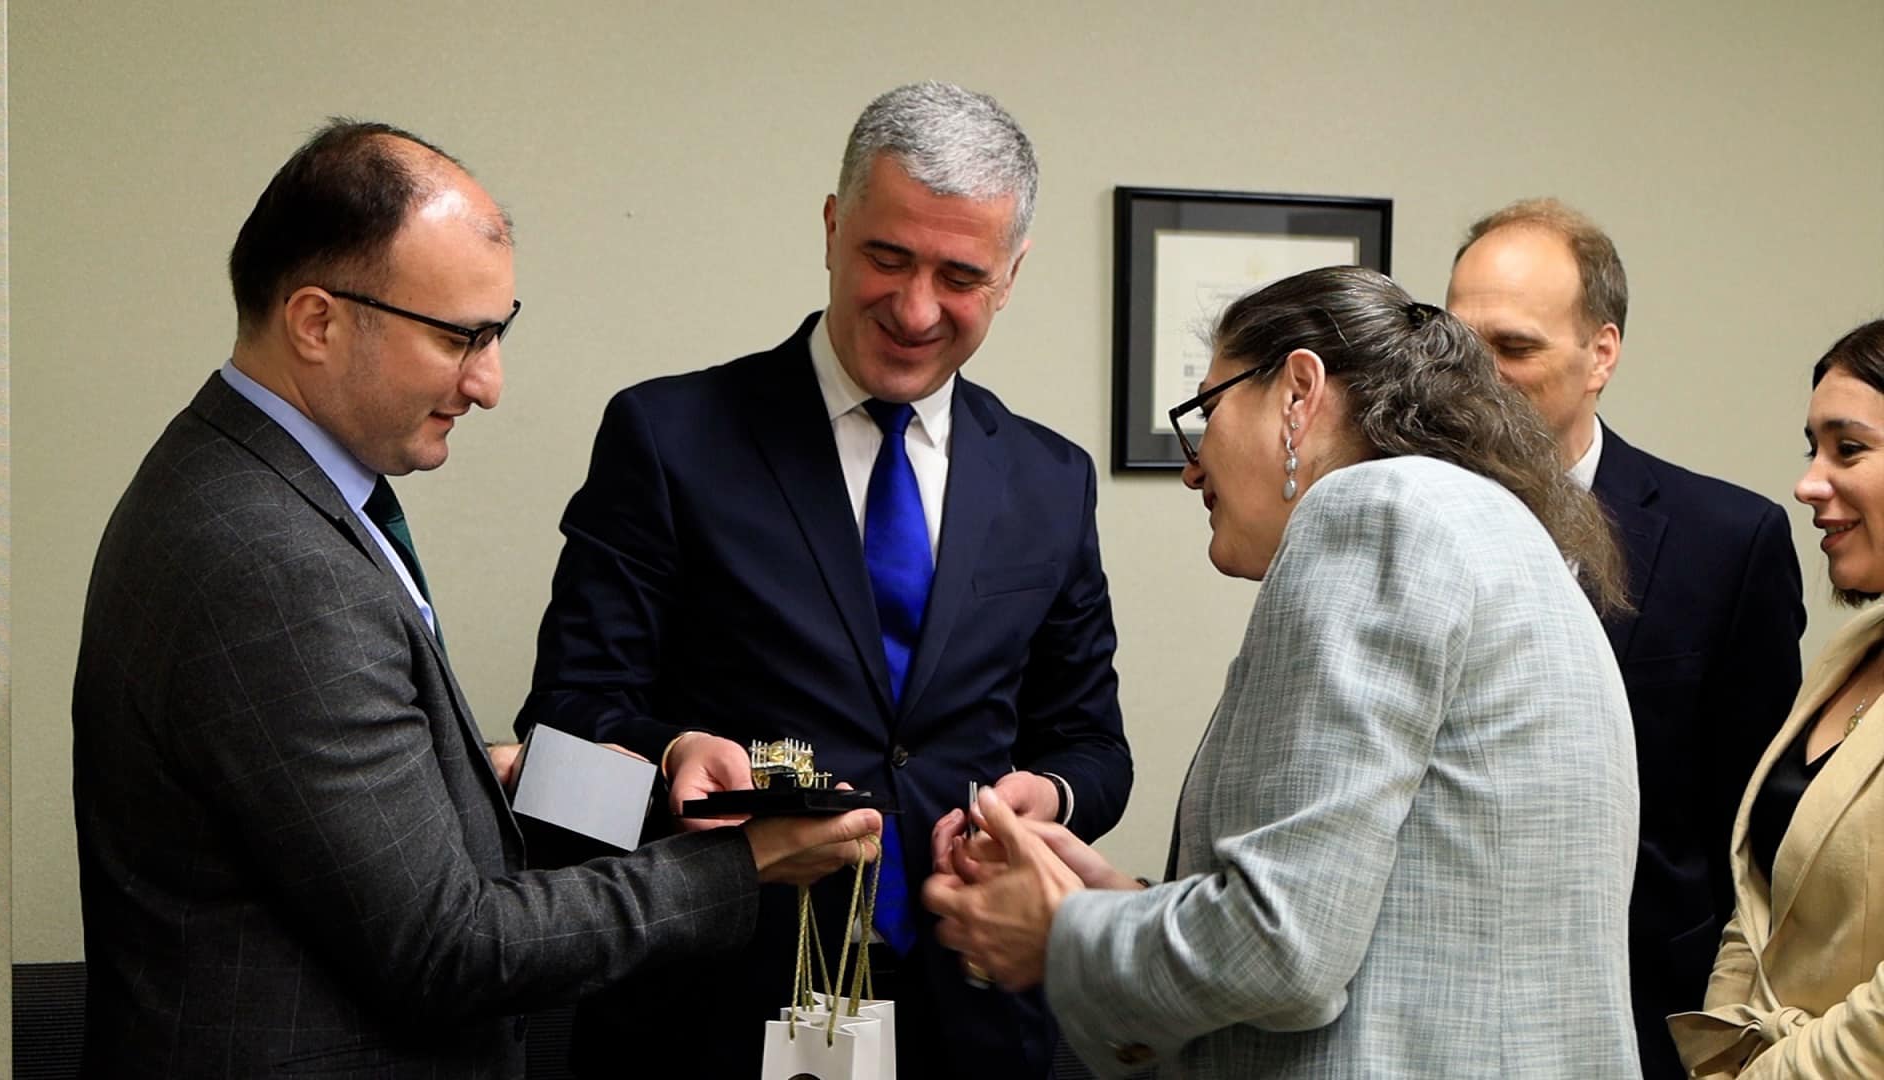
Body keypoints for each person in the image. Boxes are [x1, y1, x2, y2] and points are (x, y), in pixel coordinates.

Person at [70, 119, 881, 1079]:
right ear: (317, 322)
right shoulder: (268, 557)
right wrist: (746, 863)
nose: (489, 383)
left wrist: (644, 779)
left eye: (499, 332)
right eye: (462, 337)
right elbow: (447, 946)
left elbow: (358, 806)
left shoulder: (252, 483)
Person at [515, 81, 1131, 1077]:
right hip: (708, 1011)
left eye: (960, 276)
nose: (916, 309)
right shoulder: (668, 438)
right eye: (887, 257)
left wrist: (1049, 795)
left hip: (975, 1019)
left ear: (1012, 275)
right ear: (834, 227)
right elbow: (562, 727)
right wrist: (673, 756)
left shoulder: (1052, 480)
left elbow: (1094, 747)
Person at [923, 266, 1643, 1078]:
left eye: (1207, 412)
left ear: (1299, 392)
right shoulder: (1501, 534)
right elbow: (1379, 922)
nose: (1192, 469)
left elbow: (1285, 951)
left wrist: (1060, 934)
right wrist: (1113, 904)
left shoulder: (1374, 510)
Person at [1445, 198, 1806, 1080]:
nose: (1478, 377)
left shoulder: (1727, 541)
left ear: (1601, 353)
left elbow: (1753, 831)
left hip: (1641, 1010)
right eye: (1459, 345)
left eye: (1514, 347)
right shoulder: (1390, 517)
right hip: (1434, 1003)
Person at [1669, 318, 1884, 1078]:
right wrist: (1720, 1053)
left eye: (1848, 449)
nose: (1808, 484)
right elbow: (1757, 903)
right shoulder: (1850, 650)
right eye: (1812, 450)